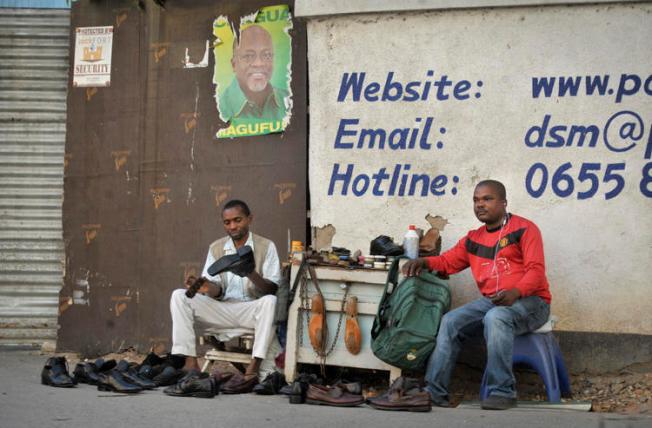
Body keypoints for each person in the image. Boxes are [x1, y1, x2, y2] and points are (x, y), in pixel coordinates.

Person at [402, 180, 551, 410]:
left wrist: (515, 292)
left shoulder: (525, 229)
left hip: (532, 302)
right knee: (450, 321)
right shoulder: (474, 238)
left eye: (487, 199)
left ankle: (503, 390)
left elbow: (536, 272)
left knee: (497, 317)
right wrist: (423, 261)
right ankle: (435, 391)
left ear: (503, 203)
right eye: (476, 200)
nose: (480, 204)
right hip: (494, 301)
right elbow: (447, 262)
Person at [169, 199, 281, 392]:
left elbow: (272, 289)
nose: (232, 226)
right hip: (223, 310)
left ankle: (253, 368)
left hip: (251, 311)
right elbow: (217, 290)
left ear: (249, 219)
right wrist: (207, 287)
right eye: (227, 222)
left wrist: (250, 273)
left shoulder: (266, 246)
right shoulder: (216, 248)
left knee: (271, 301)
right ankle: (191, 364)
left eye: (238, 220)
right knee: (179, 296)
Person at [218, 25, 288, 122]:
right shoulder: (219, 109)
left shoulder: (289, 101)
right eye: (249, 56)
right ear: (234, 65)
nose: (259, 63)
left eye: (267, 55)